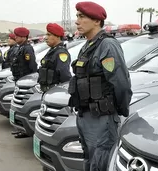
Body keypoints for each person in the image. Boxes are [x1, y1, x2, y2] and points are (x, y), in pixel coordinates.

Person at [67, 1, 133, 171]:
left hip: (101, 118)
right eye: (77, 16)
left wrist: (120, 110)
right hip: (85, 116)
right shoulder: (88, 45)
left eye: (82, 17)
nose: (77, 21)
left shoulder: (107, 45)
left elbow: (121, 83)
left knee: (101, 163)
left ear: (97, 21)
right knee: (89, 161)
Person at [10, 27, 37, 138]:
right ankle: (21, 128)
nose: (15, 38)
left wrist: (31, 80)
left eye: (17, 36)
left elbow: (32, 66)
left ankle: (25, 130)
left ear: (23, 37)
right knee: (18, 105)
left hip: (26, 82)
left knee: (23, 106)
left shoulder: (27, 49)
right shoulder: (20, 48)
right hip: (20, 81)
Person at [38, 23, 72, 93]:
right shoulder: (52, 51)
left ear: (58, 36)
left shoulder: (61, 53)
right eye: (46, 34)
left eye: (49, 35)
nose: (46, 37)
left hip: (55, 92)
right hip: (47, 91)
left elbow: (65, 76)